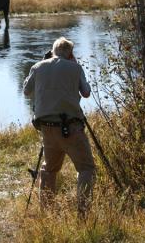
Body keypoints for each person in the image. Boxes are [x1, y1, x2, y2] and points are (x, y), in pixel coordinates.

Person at [22, 37, 95, 216]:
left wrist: (43, 65)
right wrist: (75, 66)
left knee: (49, 170)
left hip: (47, 128)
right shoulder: (75, 68)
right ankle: (83, 212)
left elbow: (26, 91)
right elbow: (86, 93)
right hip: (71, 127)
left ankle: (46, 213)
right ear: (71, 54)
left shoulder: (38, 67)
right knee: (86, 168)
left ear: (52, 51)